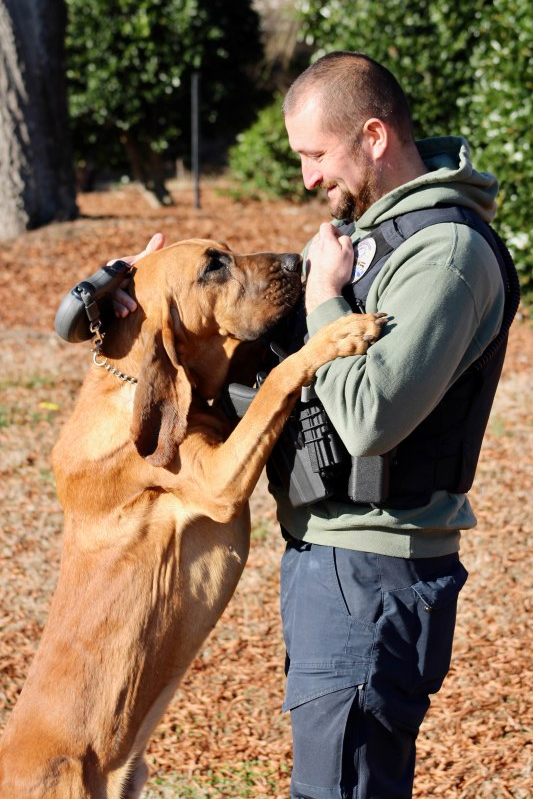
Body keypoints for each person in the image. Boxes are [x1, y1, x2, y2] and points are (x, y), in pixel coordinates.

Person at [114, 52, 511, 799]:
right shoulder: (367, 237)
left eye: (315, 155)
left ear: (373, 135)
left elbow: (368, 418)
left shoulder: (447, 253)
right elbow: (257, 379)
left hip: (375, 568)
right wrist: (140, 313)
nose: (306, 178)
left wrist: (326, 295)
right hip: (332, 563)